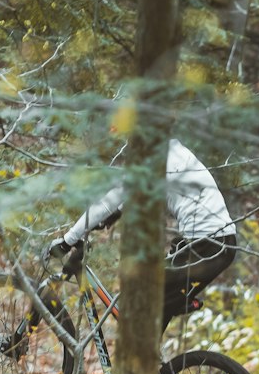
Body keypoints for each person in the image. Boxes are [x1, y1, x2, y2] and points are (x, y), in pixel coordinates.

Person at [48, 138, 237, 332]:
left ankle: (176, 303)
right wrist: (116, 213)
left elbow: (107, 202)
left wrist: (67, 240)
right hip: (214, 242)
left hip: (207, 245)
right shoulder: (170, 150)